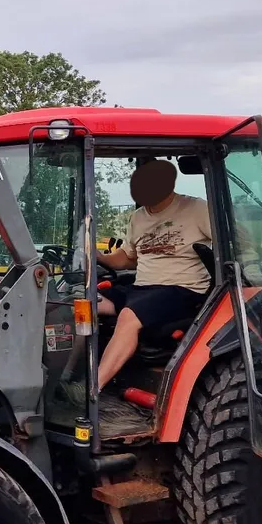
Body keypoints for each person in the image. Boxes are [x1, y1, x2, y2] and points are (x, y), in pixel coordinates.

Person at [95, 159, 212, 389]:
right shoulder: (138, 217)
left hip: (183, 289)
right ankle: (68, 378)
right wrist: (98, 257)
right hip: (143, 289)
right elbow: (128, 258)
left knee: (128, 317)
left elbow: (237, 241)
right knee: (86, 302)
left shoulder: (196, 209)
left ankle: (93, 391)